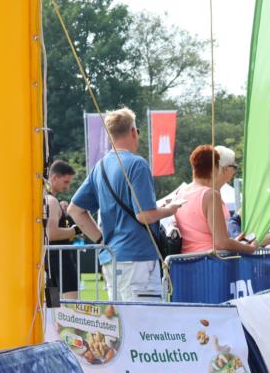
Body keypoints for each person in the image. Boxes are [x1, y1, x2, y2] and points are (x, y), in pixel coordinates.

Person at [68, 108, 184, 301]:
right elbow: (144, 215)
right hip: (138, 257)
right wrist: (169, 210)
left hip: (112, 258)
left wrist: (100, 240)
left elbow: (75, 209)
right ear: (133, 131)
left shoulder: (100, 167)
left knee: (121, 324)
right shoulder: (137, 164)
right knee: (144, 326)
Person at [176, 145, 270, 255]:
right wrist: (252, 247)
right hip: (211, 263)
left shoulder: (181, 192)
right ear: (216, 168)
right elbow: (221, 243)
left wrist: (235, 242)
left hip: (186, 262)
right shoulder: (211, 195)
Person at [45, 160, 79, 300]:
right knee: (71, 307)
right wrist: (74, 231)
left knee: (53, 308)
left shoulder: (47, 200)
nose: (68, 186)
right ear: (54, 178)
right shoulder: (51, 201)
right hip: (60, 264)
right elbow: (51, 233)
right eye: (65, 182)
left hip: (50, 264)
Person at [215, 145, 240, 214]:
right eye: (235, 167)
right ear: (226, 169)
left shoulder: (213, 192)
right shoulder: (212, 196)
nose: (235, 171)